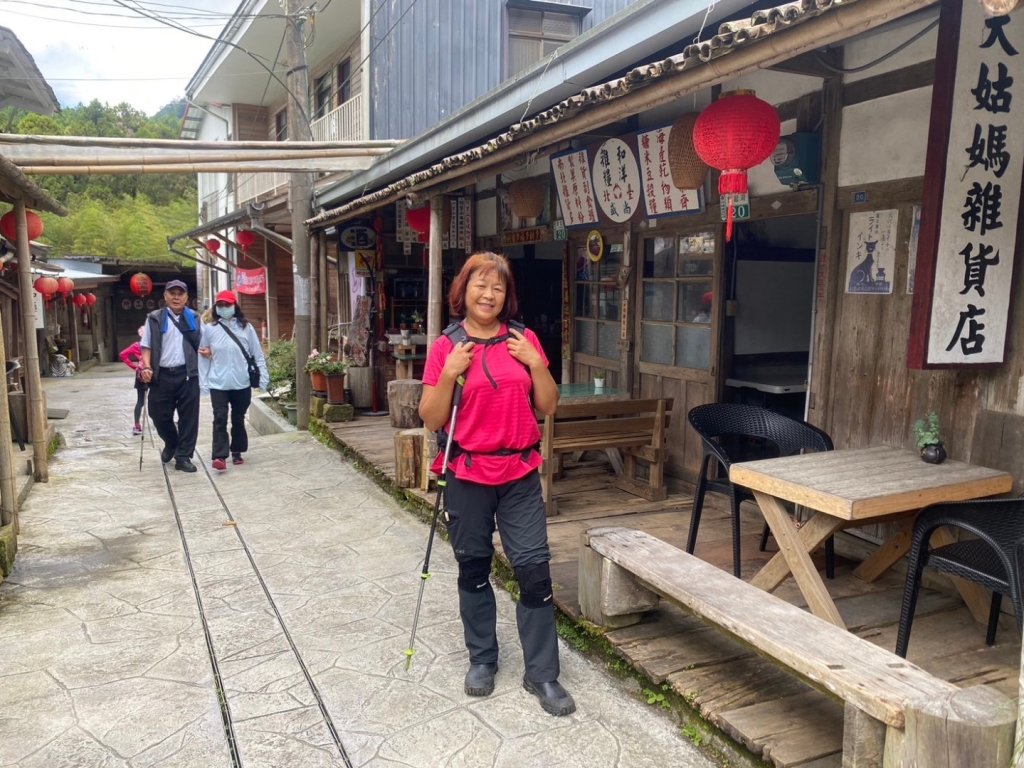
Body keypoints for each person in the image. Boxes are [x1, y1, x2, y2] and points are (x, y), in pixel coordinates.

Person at [418, 251, 575, 717]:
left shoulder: (524, 340)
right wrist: (448, 375)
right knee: (473, 568)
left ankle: (542, 674)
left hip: (520, 474)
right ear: (462, 291)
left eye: (498, 288)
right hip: (466, 474)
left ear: (508, 296)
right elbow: (430, 417)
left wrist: (537, 364)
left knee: (534, 572)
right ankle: (482, 659)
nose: (488, 295)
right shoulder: (447, 346)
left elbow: (548, 405)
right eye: (479, 286)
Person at [197, 290, 269, 471]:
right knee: (219, 418)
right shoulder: (210, 330)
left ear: (234, 306)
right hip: (218, 382)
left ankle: (237, 450)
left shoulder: (246, 328)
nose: (224, 308)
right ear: (216, 307)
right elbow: (203, 355)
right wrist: (203, 381)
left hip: (241, 382)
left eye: (227, 305)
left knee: (238, 418)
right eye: (220, 305)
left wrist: (263, 377)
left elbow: (257, 354)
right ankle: (219, 455)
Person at [138, 279, 202, 473]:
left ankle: (183, 457)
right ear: (165, 296)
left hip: (188, 374)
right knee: (158, 415)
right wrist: (147, 367)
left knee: (189, 419)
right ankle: (172, 443)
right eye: (172, 293)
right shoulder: (154, 318)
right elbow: (146, 345)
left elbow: (205, 342)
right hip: (161, 374)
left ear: (186, 298)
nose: (176, 297)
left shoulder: (195, 318)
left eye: (180, 293)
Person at [118, 326, 148, 435]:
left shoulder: (137, 346)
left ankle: (137, 425)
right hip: (152, 374)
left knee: (140, 402)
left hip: (140, 374)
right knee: (157, 400)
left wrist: (134, 367)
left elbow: (122, 355)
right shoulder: (154, 345)